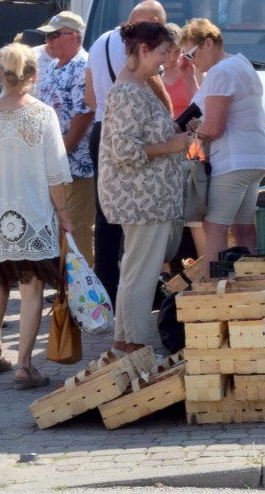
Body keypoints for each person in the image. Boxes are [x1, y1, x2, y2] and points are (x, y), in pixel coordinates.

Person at [0, 43, 73, 389]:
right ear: (34, 76)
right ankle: (25, 364)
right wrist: (65, 216)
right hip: (34, 212)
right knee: (31, 287)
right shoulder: (43, 115)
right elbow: (56, 174)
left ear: (0, 73)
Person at [99, 22, 188, 354]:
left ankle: (126, 342)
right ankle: (133, 344)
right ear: (143, 50)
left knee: (136, 271)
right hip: (141, 198)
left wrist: (174, 134)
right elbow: (125, 151)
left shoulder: (136, 88)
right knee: (142, 274)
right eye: (163, 53)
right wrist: (172, 146)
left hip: (144, 197)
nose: (165, 60)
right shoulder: (129, 92)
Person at [84, 0, 172, 305]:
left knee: (105, 214)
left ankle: (106, 287)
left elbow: (89, 95)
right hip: (134, 138)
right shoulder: (139, 50)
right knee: (138, 213)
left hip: (100, 133)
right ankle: (143, 290)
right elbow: (162, 96)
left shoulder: (97, 43)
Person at [181, 18, 265, 271]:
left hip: (234, 160)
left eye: (190, 54)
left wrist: (190, 144)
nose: (190, 60)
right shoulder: (240, 64)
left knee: (214, 227)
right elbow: (201, 105)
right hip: (255, 158)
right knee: (243, 231)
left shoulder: (221, 71)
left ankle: (214, 289)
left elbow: (213, 127)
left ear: (208, 44)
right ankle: (253, 282)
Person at [38, 11, 96, 266]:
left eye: (53, 35)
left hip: (77, 165)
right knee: (63, 225)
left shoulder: (83, 66)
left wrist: (61, 154)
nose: (48, 41)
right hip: (57, 165)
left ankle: (84, 291)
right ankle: (68, 289)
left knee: (78, 227)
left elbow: (84, 114)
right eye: (47, 36)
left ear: (73, 37)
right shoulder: (53, 66)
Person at [163, 22, 205, 260]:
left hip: (191, 145)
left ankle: (203, 265)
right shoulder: (154, 74)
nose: (171, 57)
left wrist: (189, 77)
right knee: (169, 206)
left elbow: (200, 103)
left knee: (195, 203)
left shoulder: (191, 71)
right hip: (167, 146)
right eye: (166, 51)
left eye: (175, 51)